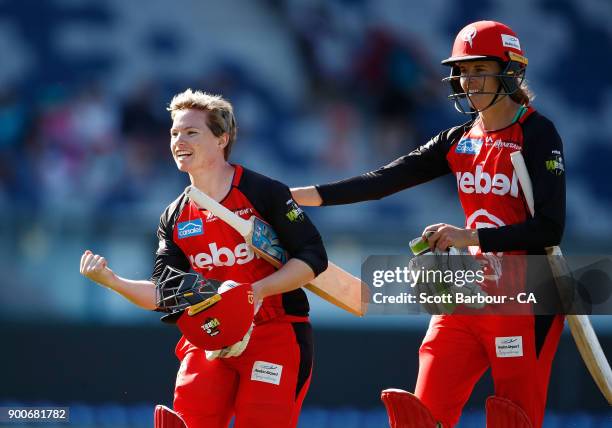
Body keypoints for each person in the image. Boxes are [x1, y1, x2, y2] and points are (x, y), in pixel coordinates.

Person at [291, 20, 565, 427]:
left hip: (526, 299)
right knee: (422, 415)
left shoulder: (538, 134)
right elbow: (383, 180)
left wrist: (466, 235)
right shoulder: (458, 140)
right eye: (463, 71)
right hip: (466, 295)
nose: (467, 82)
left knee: (515, 418)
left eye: (479, 70)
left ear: (509, 71)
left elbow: (549, 228)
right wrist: (298, 196)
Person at [80, 89, 328, 428]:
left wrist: (256, 293)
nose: (179, 140)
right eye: (174, 133)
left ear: (221, 139)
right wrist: (113, 281)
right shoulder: (175, 215)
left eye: (191, 132)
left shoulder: (263, 192)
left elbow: (313, 257)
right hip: (209, 335)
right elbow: (166, 294)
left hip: (276, 333)